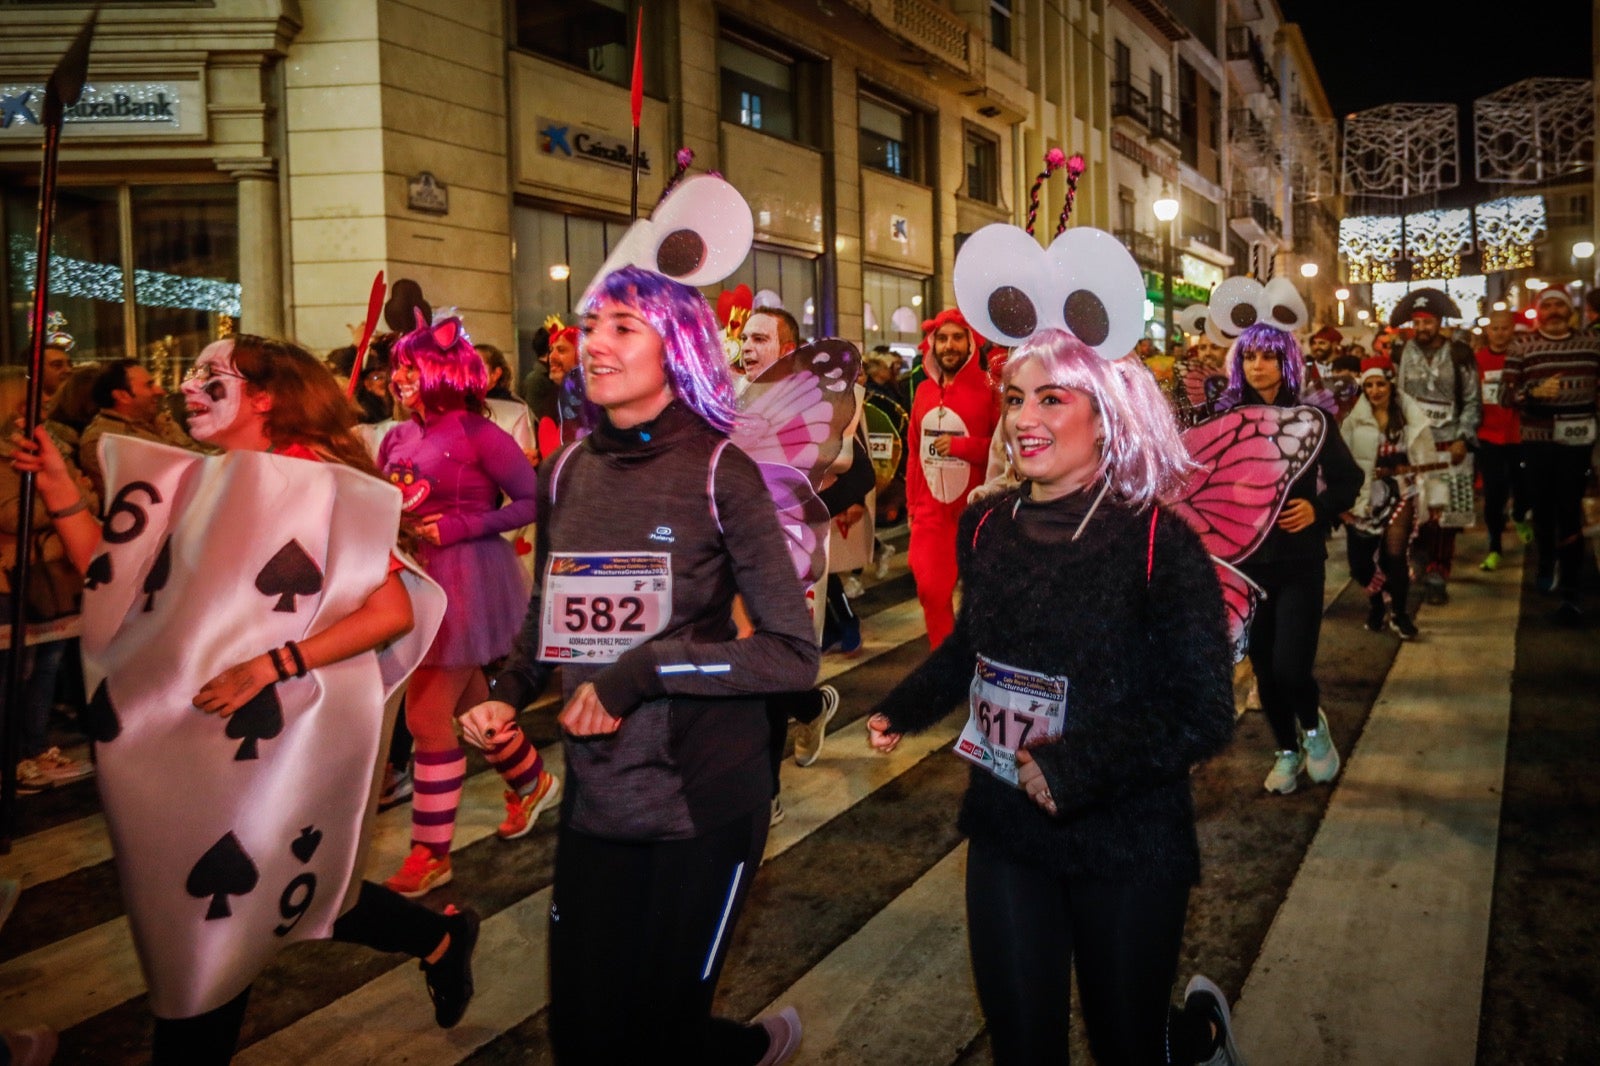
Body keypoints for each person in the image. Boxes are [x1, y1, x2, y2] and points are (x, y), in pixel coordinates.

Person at [12, 334, 479, 1063]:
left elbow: (391, 611)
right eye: (191, 373)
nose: (189, 387)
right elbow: (117, 579)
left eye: (210, 375)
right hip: (189, 732)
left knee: (210, 925)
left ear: (265, 397)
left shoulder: (313, 481)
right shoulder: (207, 478)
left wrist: (273, 664)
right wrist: (60, 491)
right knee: (285, 888)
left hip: (276, 733)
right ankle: (440, 937)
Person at [459, 264, 817, 1064]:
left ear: (678, 348)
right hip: (599, 799)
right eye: (591, 326)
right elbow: (546, 621)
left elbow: (793, 655)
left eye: (624, 327)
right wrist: (507, 693)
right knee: (584, 1035)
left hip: (705, 798)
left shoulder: (723, 473)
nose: (595, 344)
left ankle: (740, 1046)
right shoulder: (566, 472)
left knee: (661, 1034)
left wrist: (640, 673)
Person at [867, 329, 1243, 1066]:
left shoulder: (1158, 544)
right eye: (1013, 399)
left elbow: (1203, 710)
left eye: (1050, 398)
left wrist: (1077, 765)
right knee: (1023, 1047)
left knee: (1125, 1044)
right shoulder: (988, 524)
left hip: (1128, 837)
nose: (1022, 418)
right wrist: (903, 709)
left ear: (1103, 416)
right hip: (1008, 826)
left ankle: (1196, 1038)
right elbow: (972, 648)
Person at [377, 315, 555, 898]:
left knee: (426, 717)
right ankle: (530, 781)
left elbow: (533, 501)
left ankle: (431, 853)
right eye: (396, 368)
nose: (397, 378)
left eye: (408, 367)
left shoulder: (480, 434)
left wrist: (464, 525)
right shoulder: (395, 437)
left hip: (466, 583)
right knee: (475, 700)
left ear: (438, 372)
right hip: (412, 580)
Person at [1216, 323, 1362, 794]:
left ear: (1287, 362)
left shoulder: (1312, 417)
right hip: (1245, 567)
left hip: (1299, 561)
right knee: (1263, 666)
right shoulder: (1221, 419)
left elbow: (1348, 479)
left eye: (1269, 357)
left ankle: (1314, 730)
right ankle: (1286, 749)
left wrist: (1316, 507)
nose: (1259, 366)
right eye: (1250, 357)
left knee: (1290, 667)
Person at [0, 368, 95, 793]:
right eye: (32, 401)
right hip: (13, 577)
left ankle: (34, 748)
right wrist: (65, 497)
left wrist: (67, 493)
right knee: (12, 669)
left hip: (50, 574)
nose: (42, 409)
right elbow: (13, 515)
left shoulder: (47, 446)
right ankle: (12, 758)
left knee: (47, 662)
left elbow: (83, 496)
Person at [1501, 286, 1600, 624]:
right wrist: (1530, 392)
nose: (1554, 311)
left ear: (1570, 310)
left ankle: (1571, 588)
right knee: (1542, 506)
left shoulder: (1591, 343)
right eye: (1548, 306)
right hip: (1538, 438)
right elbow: (1504, 395)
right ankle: (1546, 559)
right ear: (1538, 312)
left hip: (1578, 437)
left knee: (1569, 507)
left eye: (1560, 305)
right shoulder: (1522, 346)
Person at [906, 308, 998, 647]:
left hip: (980, 514)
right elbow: (914, 456)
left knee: (984, 601)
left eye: (957, 338)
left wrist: (963, 446)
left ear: (970, 343)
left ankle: (981, 664)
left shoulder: (990, 390)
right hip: (931, 516)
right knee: (930, 591)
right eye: (942, 339)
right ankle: (942, 663)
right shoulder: (922, 394)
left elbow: (1006, 452)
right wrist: (913, 508)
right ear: (932, 344)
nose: (949, 346)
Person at [1340, 356, 1443, 640]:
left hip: (1402, 491)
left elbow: (1426, 455)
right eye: (1369, 385)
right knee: (1360, 564)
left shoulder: (1409, 415)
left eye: (1380, 384)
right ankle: (1376, 603)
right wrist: (1337, 502)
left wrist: (1434, 499)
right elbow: (1338, 462)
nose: (1375, 390)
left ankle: (1399, 613)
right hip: (1363, 497)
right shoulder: (1351, 419)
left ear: (1391, 384)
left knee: (1395, 556)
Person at [1389, 289, 1481, 604]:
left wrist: (1463, 437)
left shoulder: (1460, 354)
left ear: (1439, 322)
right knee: (1416, 509)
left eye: (1427, 322)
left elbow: (1471, 400)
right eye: (1417, 322)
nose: (1422, 328)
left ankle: (1438, 571)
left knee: (1445, 513)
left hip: (1448, 441)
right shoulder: (1401, 352)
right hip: (1414, 444)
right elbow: (1397, 397)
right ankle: (1418, 559)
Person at [79, 359, 200, 501]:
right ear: (122, 396)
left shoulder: (157, 423)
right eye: (149, 385)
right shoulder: (103, 440)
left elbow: (198, 459)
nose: (160, 391)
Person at [1474, 309, 1531, 571]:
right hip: (1488, 436)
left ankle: (1519, 515)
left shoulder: (1522, 357)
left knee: (1523, 487)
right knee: (1493, 494)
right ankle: (1494, 546)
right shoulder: (1478, 360)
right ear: (1488, 331)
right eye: (1495, 328)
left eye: (1504, 328)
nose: (1499, 333)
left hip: (1519, 435)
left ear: (1512, 330)